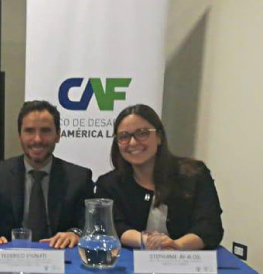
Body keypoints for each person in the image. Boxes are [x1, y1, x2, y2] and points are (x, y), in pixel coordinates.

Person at [96, 104, 223, 250]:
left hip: (188, 256)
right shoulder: (108, 184)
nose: (133, 142)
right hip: (131, 259)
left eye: (142, 133)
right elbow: (113, 226)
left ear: (159, 137)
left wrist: (176, 246)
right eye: (123, 136)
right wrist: (148, 241)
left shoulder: (195, 175)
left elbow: (209, 226)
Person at [0, 100, 93, 248]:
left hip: (60, 255)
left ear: (58, 135)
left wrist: (75, 234)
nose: (37, 139)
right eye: (29, 131)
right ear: (19, 135)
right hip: (10, 256)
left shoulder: (79, 178)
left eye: (45, 131)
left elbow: (89, 226)